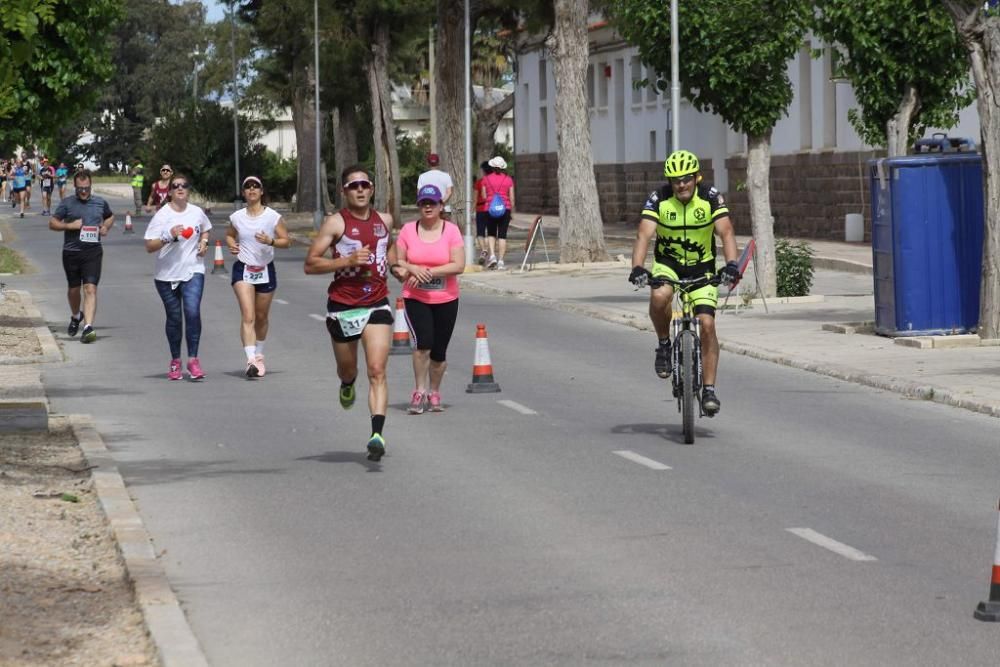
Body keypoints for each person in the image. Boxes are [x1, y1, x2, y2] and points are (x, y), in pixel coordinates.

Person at [628, 149, 740, 416]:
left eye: (686, 178)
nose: (681, 184)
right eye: (675, 180)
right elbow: (643, 235)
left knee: (708, 324)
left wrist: (732, 265)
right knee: (658, 297)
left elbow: (726, 232)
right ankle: (664, 344)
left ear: (696, 177)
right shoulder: (659, 199)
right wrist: (637, 267)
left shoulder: (710, 198)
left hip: (702, 268)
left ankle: (709, 390)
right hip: (669, 265)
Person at [304, 165, 395, 462]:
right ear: (344, 191)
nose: (360, 190)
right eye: (353, 186)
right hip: (343, 306)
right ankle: (346, 384)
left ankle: (377, 434)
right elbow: (311, 264)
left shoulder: (385, 220)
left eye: (364, 185)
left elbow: (387, 250)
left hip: (377, 304)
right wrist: (344, 262)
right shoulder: (335, 223)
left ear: (371, 189)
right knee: (349, 370)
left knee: (377, 370)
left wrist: (398, 267)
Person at [391, 184, 465, 414]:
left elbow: (459, 265)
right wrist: (412, 267)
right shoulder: (408, 230)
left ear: (441, 206)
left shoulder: (451, 231)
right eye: (424, 203)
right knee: (423, 344)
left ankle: (434, 391)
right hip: (416, 297)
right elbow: (397, 260)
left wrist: (430, 272)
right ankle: (419, 391)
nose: (428, 207)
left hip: (446, 297)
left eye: (432, 203)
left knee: (439, 352)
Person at [143, 173, 212, 380]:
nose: (180, 188)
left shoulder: (197, 212)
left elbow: (206, 229)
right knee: (174, 318)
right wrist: (168, 236)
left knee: (192, 312)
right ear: (170, 191)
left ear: (189, 190)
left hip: (193, 270)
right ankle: (175, 361)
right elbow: (149, 246)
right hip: (166, 275)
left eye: (184, 185)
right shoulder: (163, 215)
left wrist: (204, 243)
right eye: (176, 186)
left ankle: (193, 360)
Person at [226, 176, 290, 378]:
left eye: (256, 187)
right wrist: (231, 244)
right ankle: (250, 359)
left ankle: (259, 354)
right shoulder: (237, 217)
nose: (252, 190)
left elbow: (286, 241)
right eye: (247, 187)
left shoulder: (272, 217)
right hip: (243, 269)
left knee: (261, 318)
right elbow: (229, 235)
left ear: (262, 192)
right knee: (248, 315)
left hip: (265, 269)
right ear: (244, 193)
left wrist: (270, 241)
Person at [49, 169, 115, 343]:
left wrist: (106, 227)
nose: (84, 191)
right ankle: (76, 315)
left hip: (92, 252)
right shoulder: (67, 203)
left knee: (90, 289)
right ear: (75, 186)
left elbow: (110, 217)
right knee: (73, 290)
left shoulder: (100, 202)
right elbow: (53, 223)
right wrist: (70, 226)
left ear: (91, 185)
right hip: (71, 252)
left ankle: (88, 328)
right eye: (80, 188)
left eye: (86, 188)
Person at [480, 155, 514, 270]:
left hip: (489, 209)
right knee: (502, 236)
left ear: (492, 167)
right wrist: (511, 211)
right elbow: (512, 197)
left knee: (491, 234)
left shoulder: (485, 179)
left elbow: (484, 196)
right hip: (505, 209)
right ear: (502, 167)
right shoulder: (508, 179)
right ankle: (501, 262)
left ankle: (492, 256)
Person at [416, 152, 454, 220]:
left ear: (428, 163)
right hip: (444, 209)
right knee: (445, 229)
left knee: (430, 229)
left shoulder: (422, 176)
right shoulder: (446, 175)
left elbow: (419, 193)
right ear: (438, 163)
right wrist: (440, 202)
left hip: (428, 209)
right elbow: (449, 192)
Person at [473, 161, 492, 265]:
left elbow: (475, 198)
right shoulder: (494, 181)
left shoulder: (479, 182)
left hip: (480, 209)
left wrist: (472, 210)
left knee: (480, 233)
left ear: (484, 170)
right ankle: (490, 253)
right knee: (491, 232)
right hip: (491, 209)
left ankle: (484, 250)